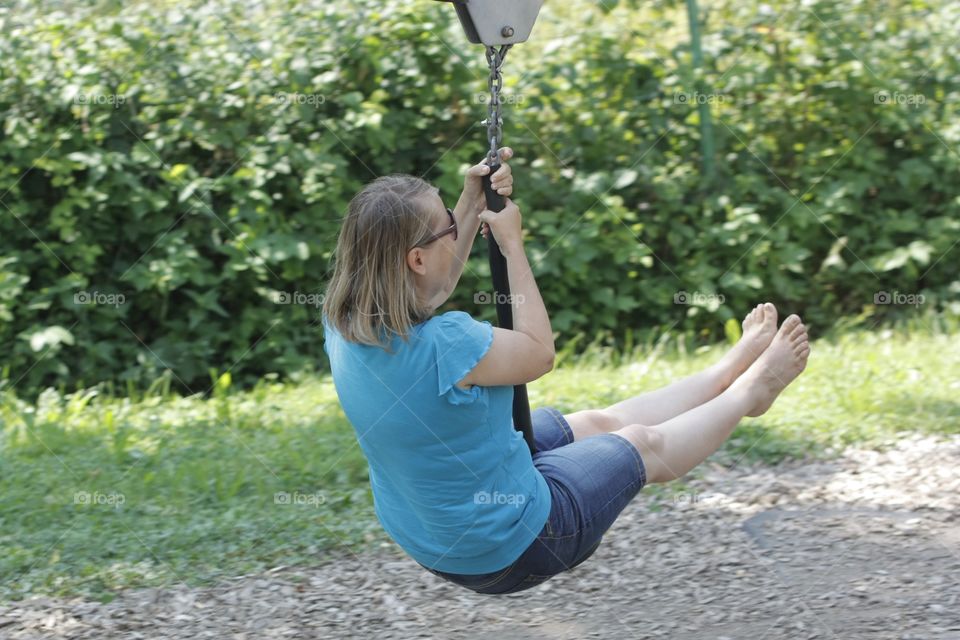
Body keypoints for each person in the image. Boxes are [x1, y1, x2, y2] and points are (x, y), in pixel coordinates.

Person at [320, 148, 810, 595]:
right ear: (416, 258)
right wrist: (513, 246)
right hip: (511, 547)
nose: (455, 223)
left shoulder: (344, 323)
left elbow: (433, 283)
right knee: (640, 442)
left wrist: (471, 204)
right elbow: (539, 353)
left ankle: (725, 372)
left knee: (597, 424)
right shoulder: (448, 345)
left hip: (432, 528)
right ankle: (753, 391)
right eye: (448, 223)